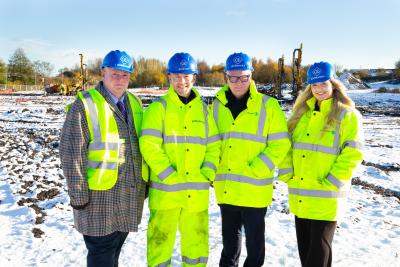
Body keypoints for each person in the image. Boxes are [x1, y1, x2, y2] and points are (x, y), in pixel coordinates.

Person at [60, 50, 147, 267]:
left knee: (113, 253)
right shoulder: (85, 104)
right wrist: (79, 197)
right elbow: (72, 153)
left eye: (125, 75)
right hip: (97, 200)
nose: (120, 80)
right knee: (101, 255)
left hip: (127, 197)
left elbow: (140, 147)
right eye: (114, 74)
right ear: (103, 73)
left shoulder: (135, 103)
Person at [139, 52, 221, 267]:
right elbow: (149, 145)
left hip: (196, 194)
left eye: (186, 76)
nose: (182, 81)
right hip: (166, 194)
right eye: (176, 76)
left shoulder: (204, 110)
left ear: (194, 77)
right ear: (169, 77)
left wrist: (207, 174)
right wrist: (169, 176)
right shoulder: (159, 108)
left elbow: (214, 146)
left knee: (196, 247)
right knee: (159, 245)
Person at [278, 61, 363, 267]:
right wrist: (287, 171)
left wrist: (333, 181)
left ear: (333, 84)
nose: (319, 89)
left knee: (318, 254)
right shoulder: (300, 115)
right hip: (301, 194)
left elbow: (353, 153)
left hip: (326, 195)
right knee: (306, 251)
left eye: (323, 84)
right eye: (314, 85)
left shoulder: (347, 115)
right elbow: (285, 147)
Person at [211, 52, 291, 267]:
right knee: (229, 244)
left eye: (244, 77)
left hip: (254, 188)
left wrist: (257, 168)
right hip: (226, 186)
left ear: (251, 76)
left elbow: (280, 143)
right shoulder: (216, 105)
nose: (239, 82)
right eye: (233, 77)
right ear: (226, 77)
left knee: (255, 247)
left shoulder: (269, 106)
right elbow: (211, 142)